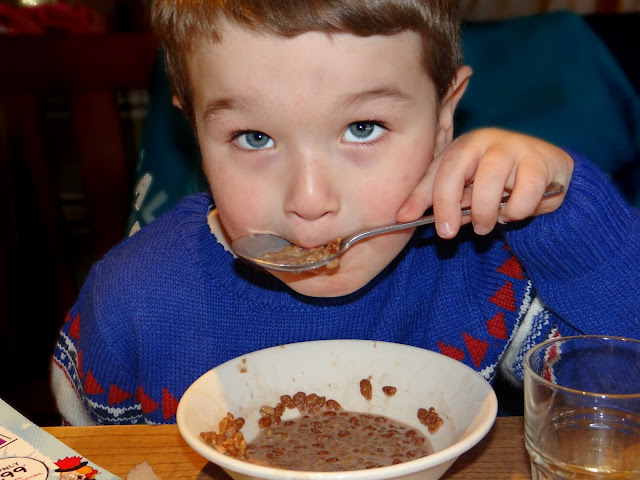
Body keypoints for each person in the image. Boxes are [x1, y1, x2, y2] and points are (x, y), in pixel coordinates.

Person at [51, 0, 640, 425]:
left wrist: (573, 222)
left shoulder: (485, 272)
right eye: (253, 137)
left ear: (442, 121)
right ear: (195, 131)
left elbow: (617, 397)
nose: (309, 201)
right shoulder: (132, 301)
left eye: (363, 128)